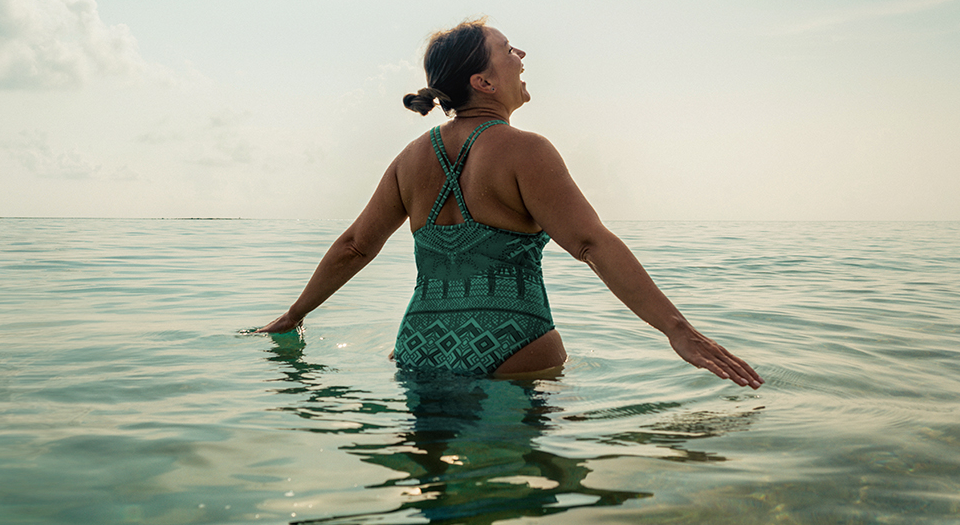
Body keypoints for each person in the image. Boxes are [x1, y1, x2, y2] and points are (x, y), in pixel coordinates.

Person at [256, 19, 762, 388]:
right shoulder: (525, 150)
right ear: (483, 82)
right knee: (523, 488)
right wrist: (679, 331)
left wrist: (293, 314)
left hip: (420, 346)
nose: (520, 54)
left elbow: (353, 246)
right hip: (512, 343)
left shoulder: (410, 159)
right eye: (506, 49)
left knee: (440, 493)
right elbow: (590, 243)